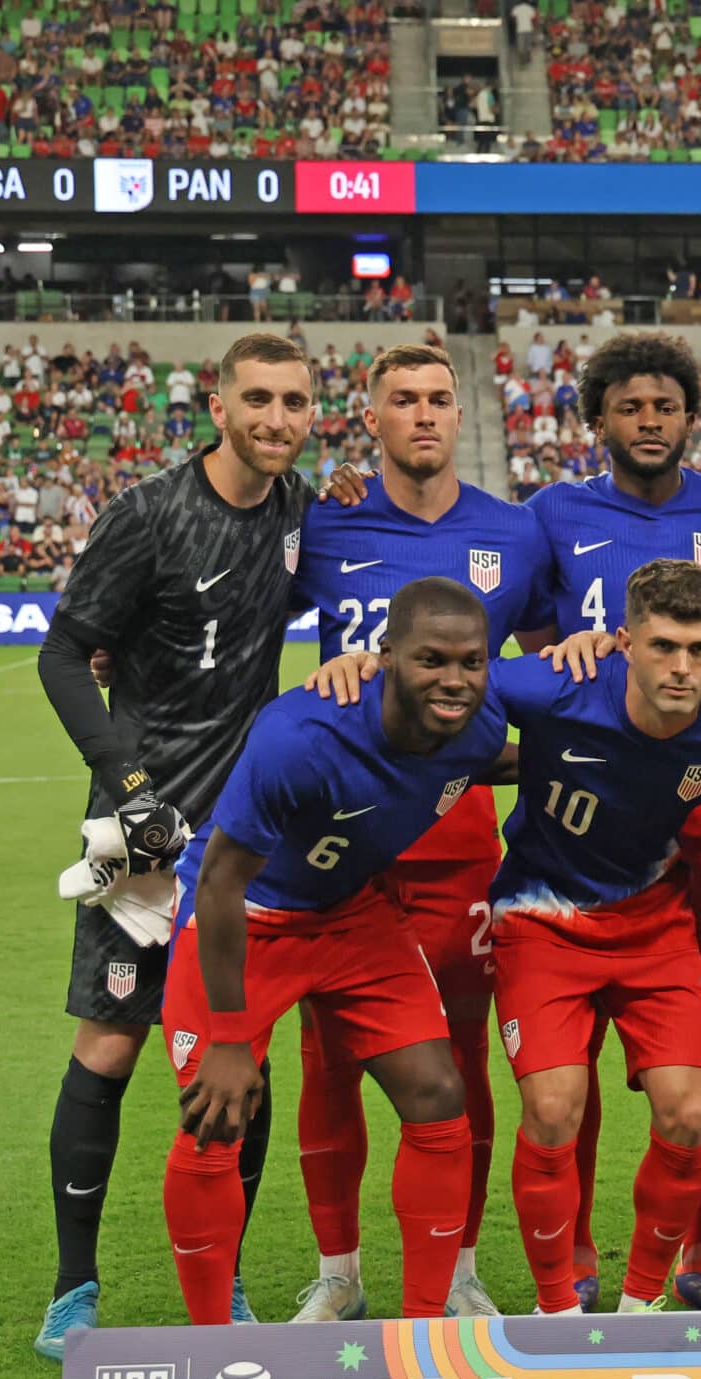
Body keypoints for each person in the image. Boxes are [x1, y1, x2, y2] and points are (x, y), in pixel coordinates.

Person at [30, 333, 317, 1360]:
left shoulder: (296, 512)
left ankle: (226, 1281)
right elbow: (65, 654)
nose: (276, 418)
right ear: (218, 401)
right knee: (109, 1046)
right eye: (258, 398)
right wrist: (130, 782)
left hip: (242, 847)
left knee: (237, 1064)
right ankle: (73, 1291)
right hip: (143, 836)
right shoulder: (149, 513)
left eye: (292, 400)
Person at [527, 331, 701, 1310]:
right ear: (596, 418)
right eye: (629, 407)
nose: (649, 422)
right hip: (590, 806)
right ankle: (588, 1251)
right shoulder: (551, 514)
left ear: (693, 417)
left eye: (666, 407)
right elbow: (524, 638)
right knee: (577, 1047)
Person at [161, 579, 516, 1324]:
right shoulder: (300, 739)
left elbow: (507, 756)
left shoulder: (478, 732)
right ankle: (212, 1343)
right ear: (383, 658)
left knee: (438, 1093)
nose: (454, 680)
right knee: (214, 1113)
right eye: (431, 660)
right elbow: (220, 885)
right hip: (246, 920)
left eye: (472, 662)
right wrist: (231, 1040)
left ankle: (423, 1332)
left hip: (354, 916)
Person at [288, 343, 555, 1323]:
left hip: (456, 848)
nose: (426, 413)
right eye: (403, 399)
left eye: (441, 397)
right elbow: (238, 621)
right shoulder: (324, 523)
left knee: (459, 1060)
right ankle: (340, 1270)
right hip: (342, 848)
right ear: (373, 416)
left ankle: (458, 1265)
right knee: (330, 1060)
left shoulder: (512, 536)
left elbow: (548, 674)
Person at [495, 561, 701, 1313]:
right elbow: (436, 687)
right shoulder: (549, 687)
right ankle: (557, 1311)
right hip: (541, 917)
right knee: (553, 1109)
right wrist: (373, 662)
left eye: (699, 649)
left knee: (690, 1113)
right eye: (661, 647)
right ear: (622, 643)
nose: (681, 668)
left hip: (655, 923)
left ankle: (638, 1309)